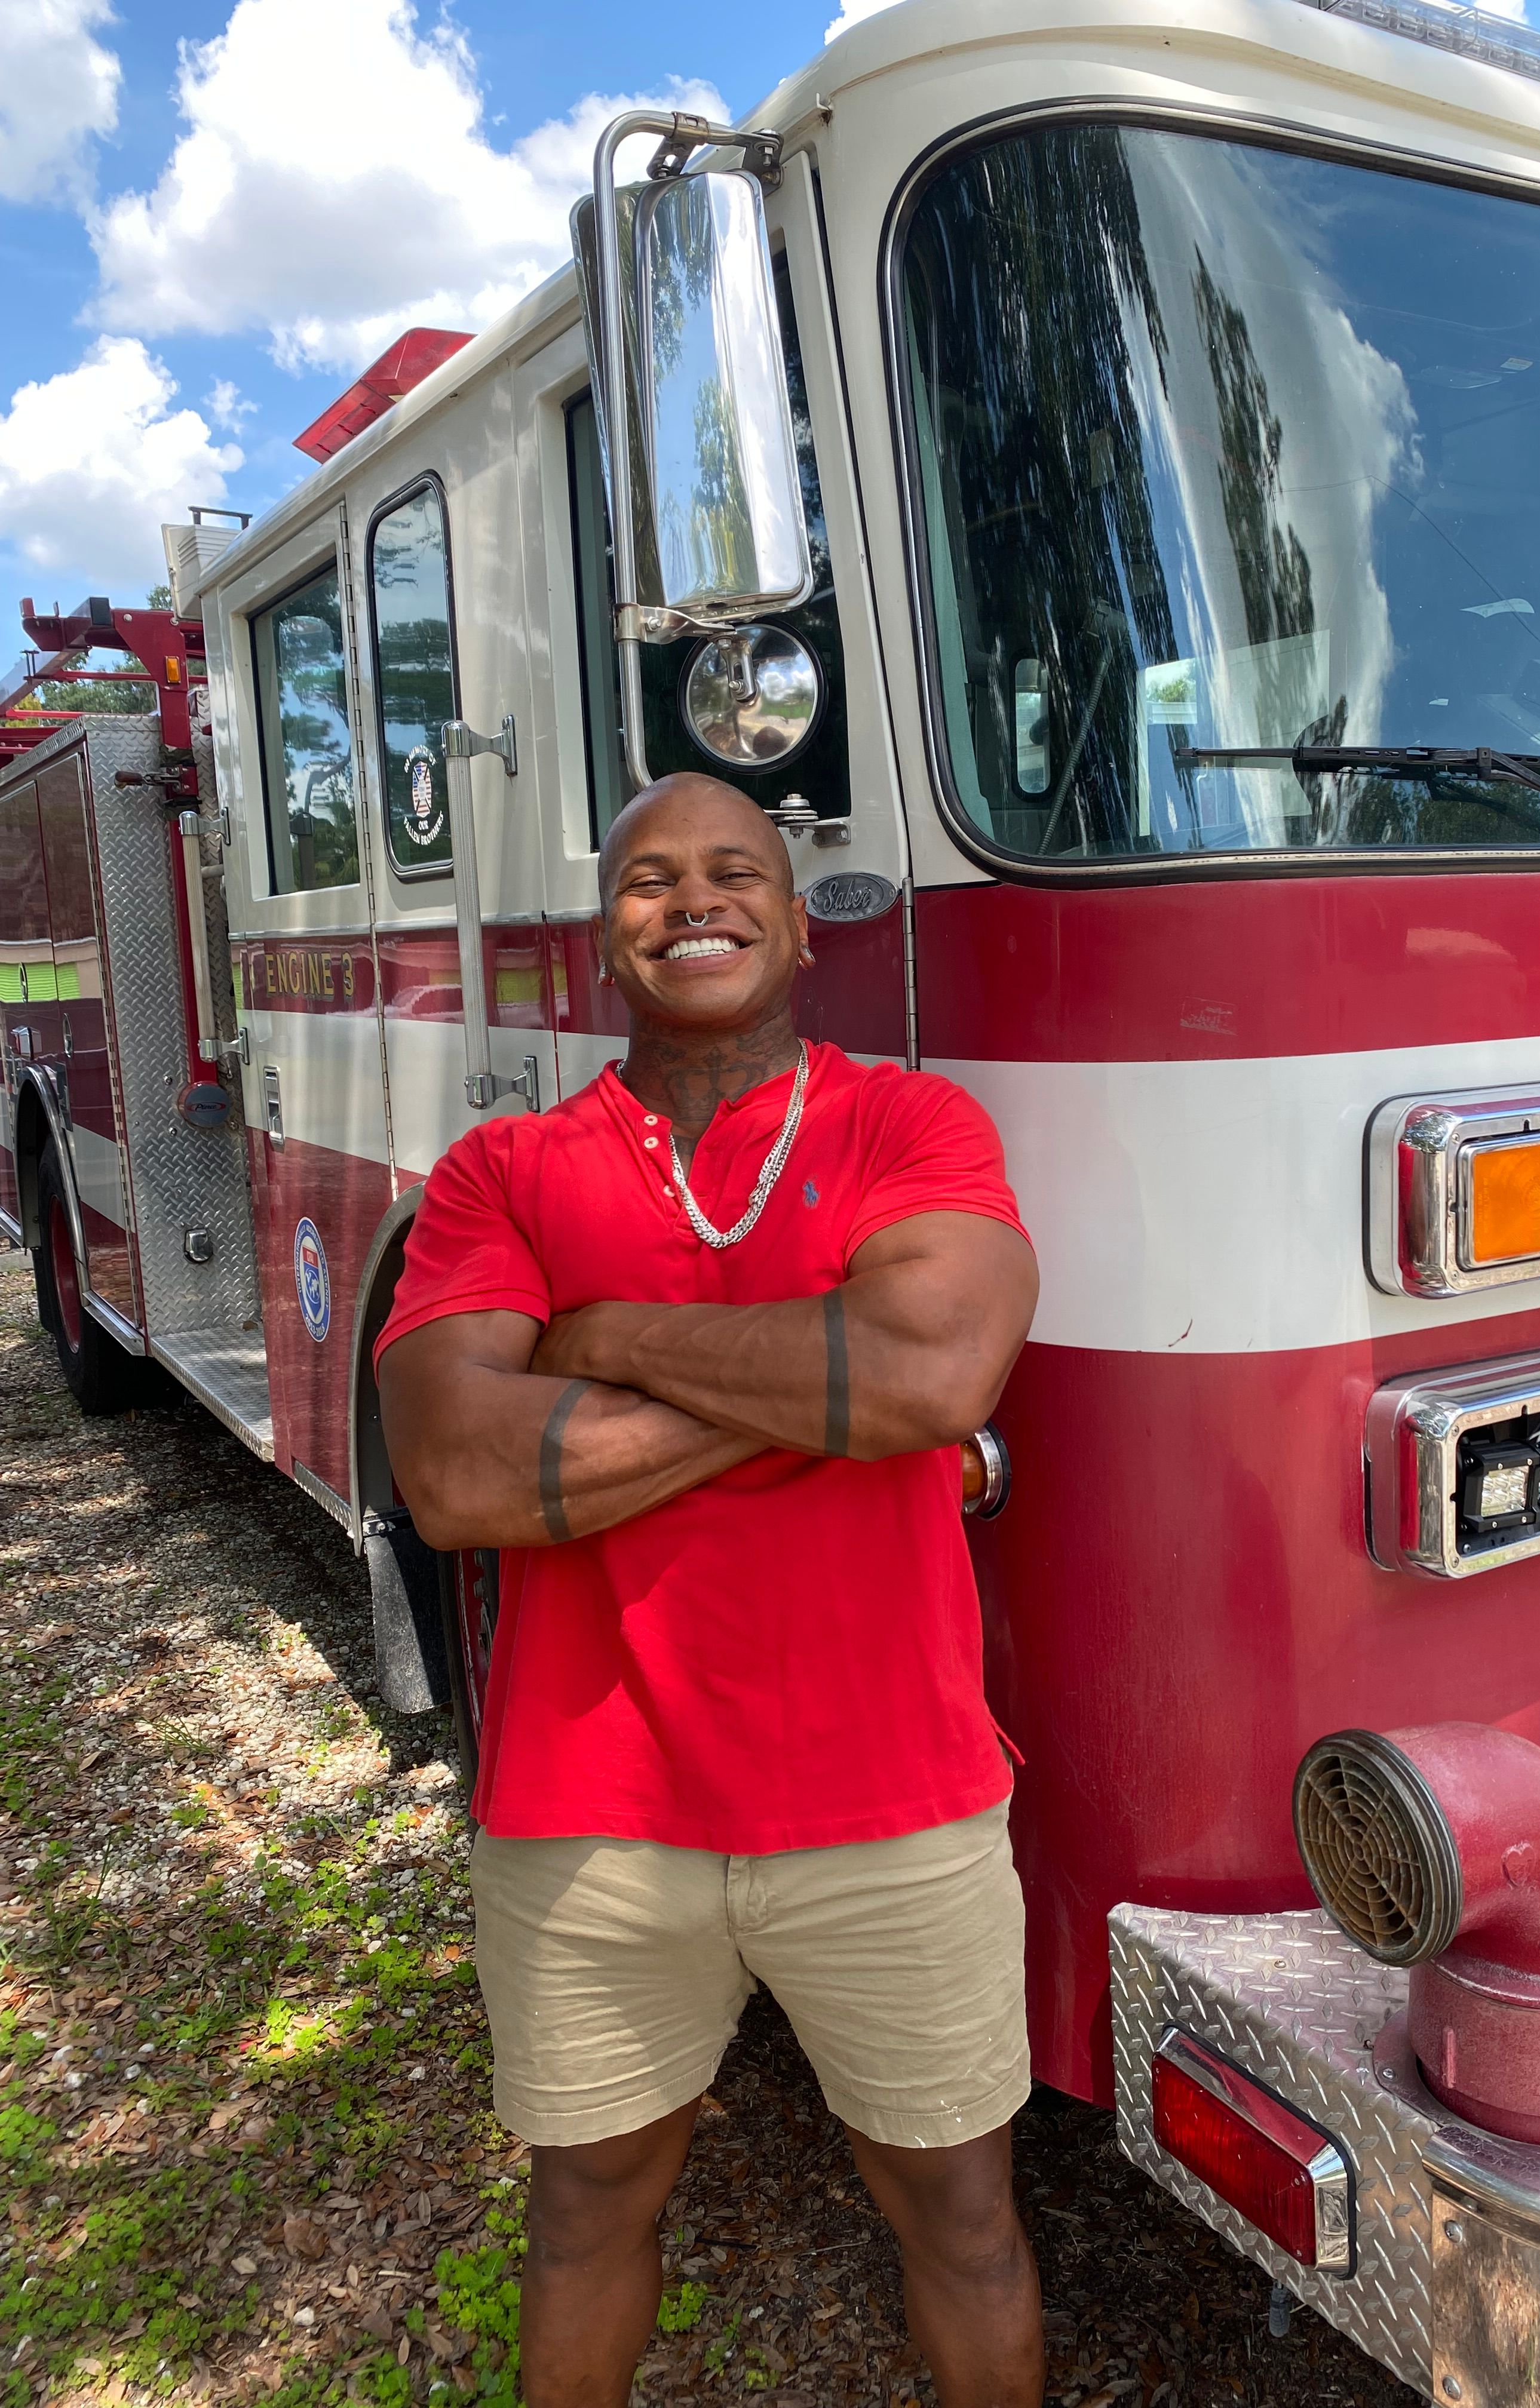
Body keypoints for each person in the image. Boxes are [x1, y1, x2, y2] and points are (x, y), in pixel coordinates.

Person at [377, 773, 1043, 2408]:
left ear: (802, 924)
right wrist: (818, 1404)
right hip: (594, 1806)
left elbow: (931, 1372)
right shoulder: (504, 1172)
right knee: (587, 2208)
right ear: (608, 934)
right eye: (651, 880)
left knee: (961, 2222)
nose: (695, 901)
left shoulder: (911, 1123)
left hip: (892, 1796)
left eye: (736, 871)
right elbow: (460, 1476)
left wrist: (590, 1341)